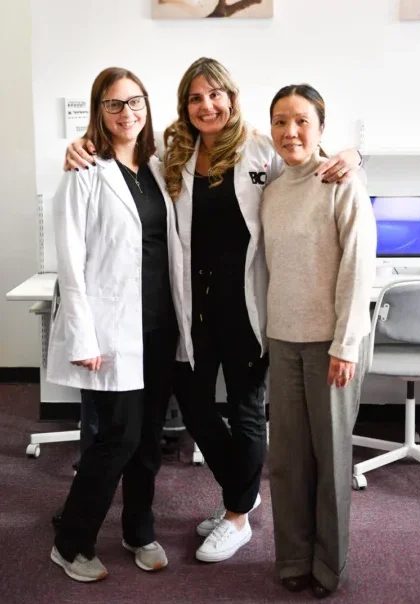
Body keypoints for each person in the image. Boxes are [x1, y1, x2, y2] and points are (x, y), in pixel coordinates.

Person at [64, 57, 363, 564]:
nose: (207, 105)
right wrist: (77, 144)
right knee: (197, 410)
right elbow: (121, 157)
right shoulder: (171, 153)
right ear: (184, 105)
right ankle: (244, 494)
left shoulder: (261, 150)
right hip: (191, 308)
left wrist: (358, 154)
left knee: (246, 412)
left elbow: (311, 157)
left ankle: (238, 517)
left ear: (231, 96)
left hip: (245, 305)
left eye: (215, 95)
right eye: (195, 97)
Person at [47, 67, 183, 582]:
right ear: (99, 111)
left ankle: (139, 529)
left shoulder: (156, 165)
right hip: (110, 331)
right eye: (114, 104)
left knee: (149, 438)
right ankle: (71, 541)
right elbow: (71, 259)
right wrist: (83, 335)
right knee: (117, 439)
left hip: (157, 328)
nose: (128, 112)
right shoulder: (85, 170)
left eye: (135, 101)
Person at [261, 84, 376, 598]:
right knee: (287, 460)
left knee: (330, 461)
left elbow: (358, 266)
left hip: (332, 344)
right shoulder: (270, 187)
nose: (290, 132)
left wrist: (346, 344)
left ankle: (329, 567)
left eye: (302, 121)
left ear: (321, 127)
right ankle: (292, 559)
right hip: (282, 340)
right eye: (281, 121)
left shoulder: (342, 180)